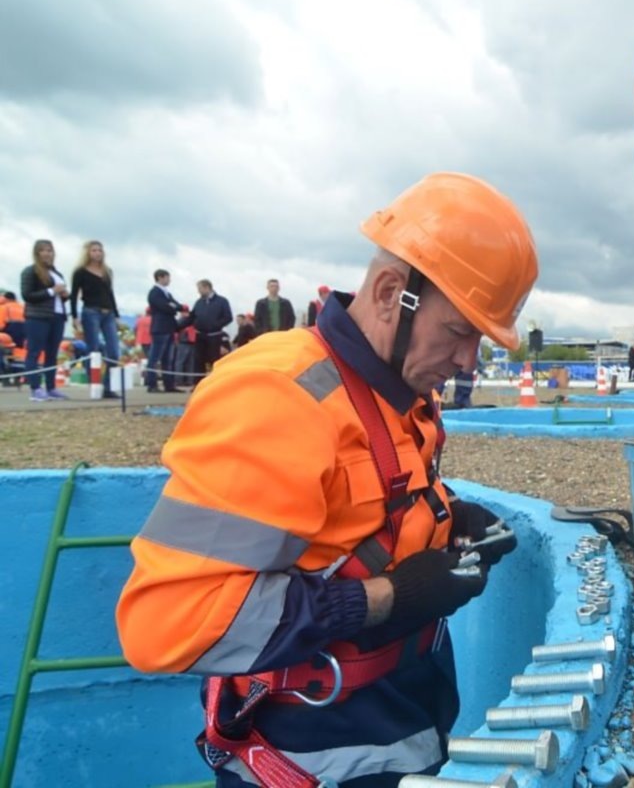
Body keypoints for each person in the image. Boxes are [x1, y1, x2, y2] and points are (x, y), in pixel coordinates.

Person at [116, 173, 538, 788]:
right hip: (313, 747)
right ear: (392, 293)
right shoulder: (279, 397)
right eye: (458, 331)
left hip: (405, 714)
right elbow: (170, 623)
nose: (469, 360)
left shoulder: (401, 387)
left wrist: (451, 517)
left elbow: (358, 515)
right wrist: (389, 598)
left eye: (481, 337)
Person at [19, 240, 70, 401]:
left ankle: (51, 387)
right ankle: (35, 388)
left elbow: (59, 297)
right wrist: (51, 291)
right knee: (34, 352)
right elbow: (27, 295)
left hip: (58, 316)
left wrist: (64, 295)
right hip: (38, 317)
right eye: (43, 250)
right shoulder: (30, 272)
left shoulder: (57, 273)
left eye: (50, 250)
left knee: (52, 354)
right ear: (37, 253)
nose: (47, 253)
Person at [70, 240, 121, 399]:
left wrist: (116, 315)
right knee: (93, 350)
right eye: (94, 250)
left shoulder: (107, 271)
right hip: (91, 311)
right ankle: (94, 383)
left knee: (114, 351)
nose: (97, 253)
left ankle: (108, 386)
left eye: (99, 250)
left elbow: (110, 293)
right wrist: (74, 316)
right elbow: (74, 294)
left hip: (108, 312)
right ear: (87, 253)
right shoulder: (80, 272)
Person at [146, 269, 185, 393]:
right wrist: (174, 307)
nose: (169, 280)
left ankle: (169, 384)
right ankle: (152, 384)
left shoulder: (166, 293)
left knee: (168, 359)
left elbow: (176, 305)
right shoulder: (154, 293)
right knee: (155, 357)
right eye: (167, 277)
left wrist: (175, 307)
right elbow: (166, 306)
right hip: (160, 328)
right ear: (160, 277)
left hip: (168, 328)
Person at [189, 279, 233, 385]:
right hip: (200, 336)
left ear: (207, 287)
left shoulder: (222, 301)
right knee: (198, 361)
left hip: (214, 336)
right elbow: (192, 317)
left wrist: (215, 325)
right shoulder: (199, 302)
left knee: (214, 361)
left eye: (199, 289)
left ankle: (216, 384)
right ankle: (198, 385)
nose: (198, 291)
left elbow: (228, 317)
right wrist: (177, 326)